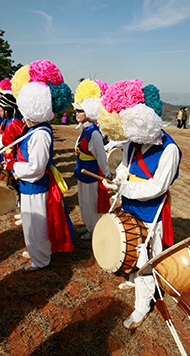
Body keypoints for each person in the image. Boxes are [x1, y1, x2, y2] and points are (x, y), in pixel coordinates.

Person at [99, 80, 182, 329]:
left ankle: (142, 305)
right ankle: (135, 279)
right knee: (131, 244)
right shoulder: (133, 144)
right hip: (129, 205)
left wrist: (126, 187)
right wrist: (115, 181)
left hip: (151, 211)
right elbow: (124, 168)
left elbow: (157, 187)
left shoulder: (170, 150)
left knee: (146, 256)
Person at [5, 60, 74, 271]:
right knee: (30, 223)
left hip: (36, 186)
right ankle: (36, 250)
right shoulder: (34, 130)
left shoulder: (41, 133)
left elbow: (36, 168)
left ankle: (41, 258)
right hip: (30, 186)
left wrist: (13, 166)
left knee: (37, 225)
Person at [72, 79, 111, 241]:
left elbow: (101, 156)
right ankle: (88, 225)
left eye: (80, 111)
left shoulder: (94, 133)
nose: (77, 114)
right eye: (77, 111)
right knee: (83, 201)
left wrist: (107, 174)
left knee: (91, 203)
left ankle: (94, 228)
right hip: (83, 168)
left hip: (91, 171)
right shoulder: (86, 130)